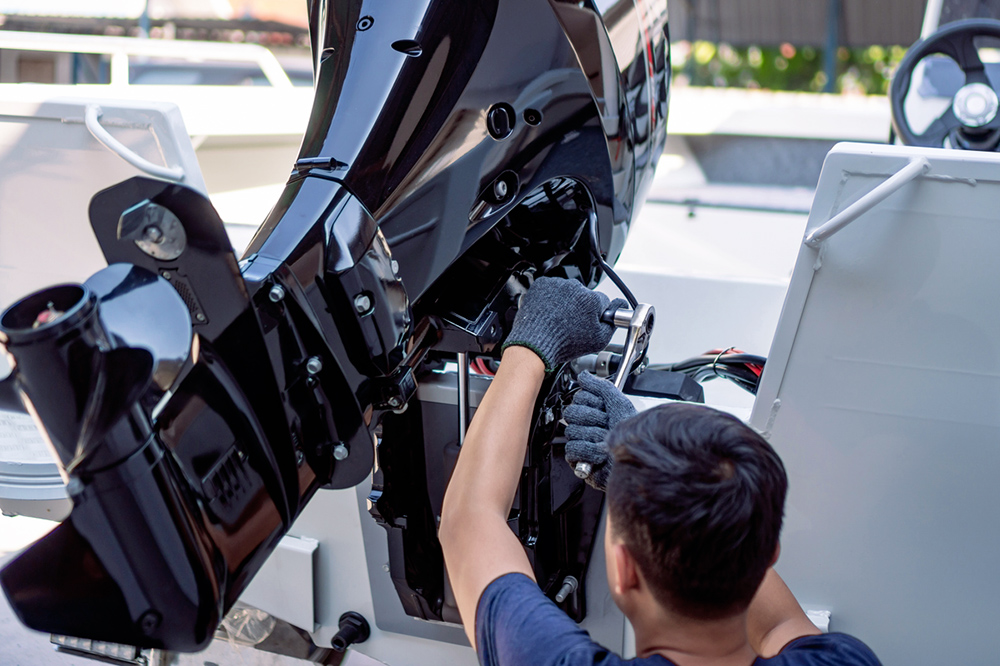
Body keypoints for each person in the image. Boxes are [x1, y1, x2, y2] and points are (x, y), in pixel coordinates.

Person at [439, 277, 880, 665]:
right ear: (770, 555)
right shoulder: (844, 660)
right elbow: (779, 625)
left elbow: (468, 521)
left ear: (623, 569)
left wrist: (534, 343)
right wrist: (649, 479)